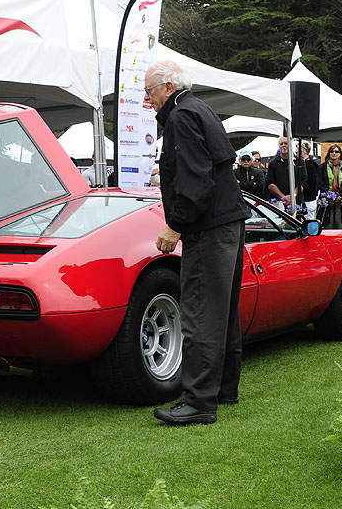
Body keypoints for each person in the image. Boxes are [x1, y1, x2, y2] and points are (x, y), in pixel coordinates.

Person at [145, 61, 249, 426]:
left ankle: (199, 402)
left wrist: (175, 226)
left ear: (168, 87)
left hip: (207, 226)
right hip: (228, 221)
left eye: (151, 91)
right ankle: (223, 388)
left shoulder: (181, 117)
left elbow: (195, 181)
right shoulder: (200, 108)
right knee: (222, 309)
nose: (148, 99)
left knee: (201, 311)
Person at [265, 136, 305, 209]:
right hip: (278, 202)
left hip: (296, 201)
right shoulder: (272, 163)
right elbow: (270, 183)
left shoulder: (300, 162)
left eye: (286, 143)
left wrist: (293, 196)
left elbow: (303, 182)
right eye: (281, 144)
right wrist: (284, 198)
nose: (283, 145)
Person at [317, 144, 342, 228]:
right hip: (326, 199)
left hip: (340, 199)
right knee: (327, 225)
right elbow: (320, 183)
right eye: (332, 151)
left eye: (336, 151)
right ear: (329, 153)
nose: (334, 153)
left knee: (340, 225)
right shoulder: (323, 167)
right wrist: (330, 195)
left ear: (340, 154)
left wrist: (338, 195)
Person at [299, 142, 320, 218]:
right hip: (304, 199)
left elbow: (311, 183)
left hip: (308, 200)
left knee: (309, 222)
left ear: (304, 151)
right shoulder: (304, 164)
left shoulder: (310, 166)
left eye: (297, 148)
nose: (295, 151)